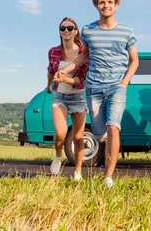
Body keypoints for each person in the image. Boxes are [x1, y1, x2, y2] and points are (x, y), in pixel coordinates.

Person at [57, 0, 138, 189]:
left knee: (113, 128)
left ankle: (107, 177)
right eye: (102, 2)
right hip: (93, 87)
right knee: (100, 133)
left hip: (116, 87)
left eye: (110, 2)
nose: (106, 6)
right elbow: (83, 56)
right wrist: (66, 71)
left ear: (116, 5)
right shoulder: (88, 30)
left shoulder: (126, 31)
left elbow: (134, 61)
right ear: (97, 5)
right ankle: (105, 141)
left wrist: (124, 82)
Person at [46, 17, 89, 181]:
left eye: (70, 28)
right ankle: (58, 155)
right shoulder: (53, 51)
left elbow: (83, 80)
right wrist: (49, 86)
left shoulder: (83, 52)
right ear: (59, 32)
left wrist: (66, 79)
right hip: (59, 97)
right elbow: (50, 70)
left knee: (78, 137)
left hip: (78, 97)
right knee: (61, 132)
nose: (66, 31)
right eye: (62, 28)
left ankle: (78, 171)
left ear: (76, 32)